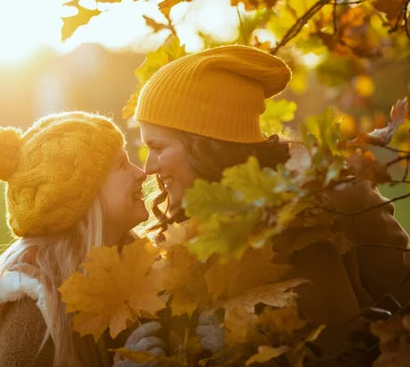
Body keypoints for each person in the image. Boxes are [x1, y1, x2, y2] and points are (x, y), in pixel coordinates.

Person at [133, 45, 410, 358]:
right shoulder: (177, 239)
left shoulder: (338, 197)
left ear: (207, 143)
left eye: (158, 147)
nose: (149, 167)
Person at [0, 111, 164, 367]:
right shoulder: (33, 322)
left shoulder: (148, 269)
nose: (141, 173)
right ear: (83, 199)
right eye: (121, 165)